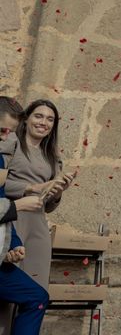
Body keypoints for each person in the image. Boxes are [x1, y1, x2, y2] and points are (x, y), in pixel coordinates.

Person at [1, 99, 74, 290]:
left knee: (37, 284)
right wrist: (33, 187)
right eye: (39, 116)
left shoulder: (53, 157)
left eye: (50, 119)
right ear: (26, 119)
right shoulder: (10, 142)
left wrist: (58, 192)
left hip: (38, 224)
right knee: (9, 290)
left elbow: (48, 206)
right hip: (11, 219)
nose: (44, 122)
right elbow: (1, 185)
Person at [0, 96, 49, 335]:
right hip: (19, 213)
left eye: (8, 131)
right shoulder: (10, 151)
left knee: (37, 296)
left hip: (25, 228)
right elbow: (8, 200)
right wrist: (23, 197)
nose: (4, 136)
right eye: (1, 130)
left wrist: (14, 244)